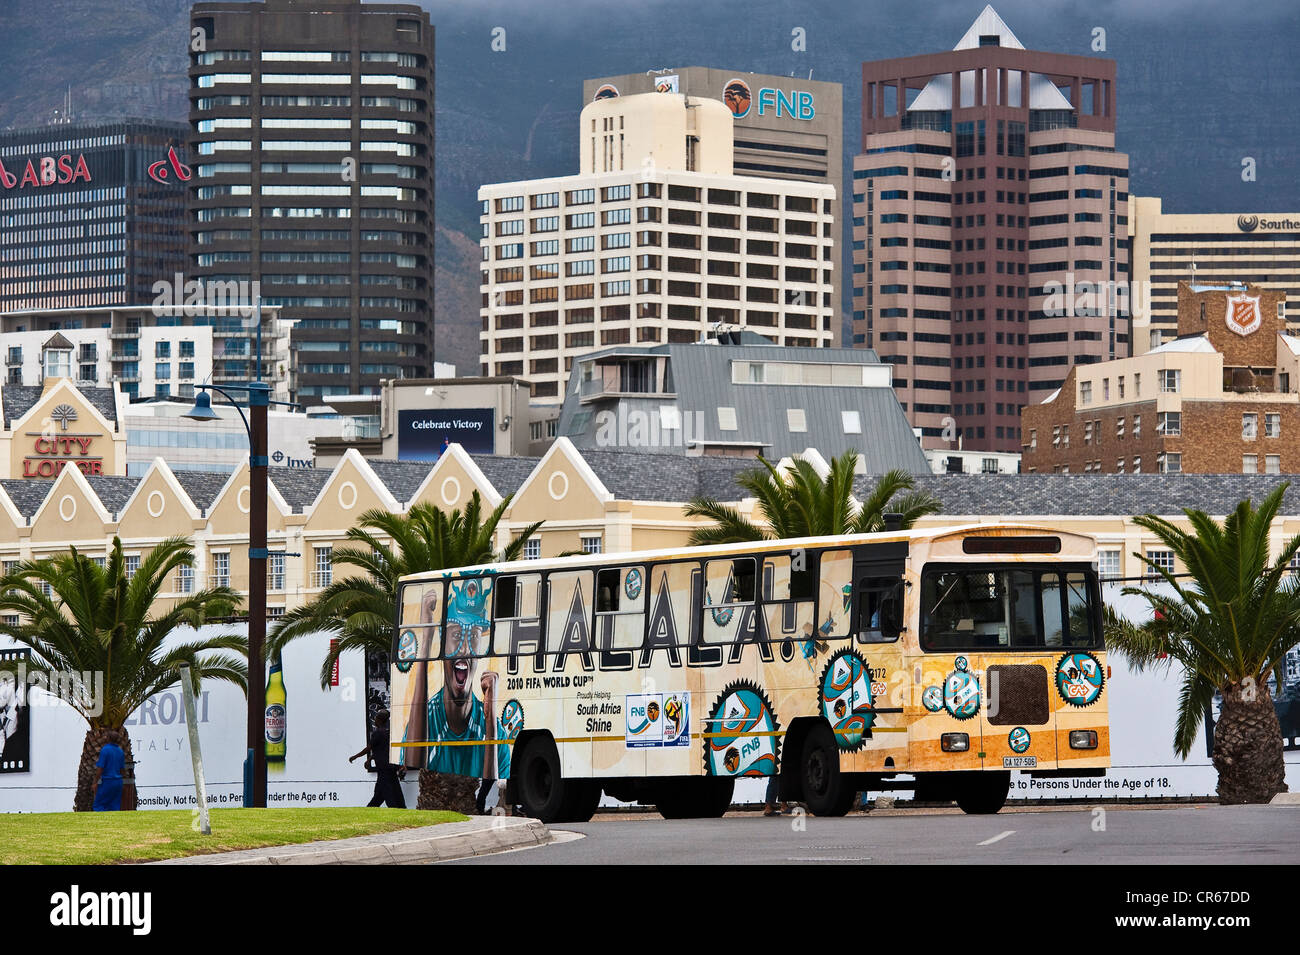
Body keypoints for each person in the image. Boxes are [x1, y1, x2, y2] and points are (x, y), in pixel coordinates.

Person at [351, 709, 406, 808]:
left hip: (384, 769)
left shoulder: (378, 733)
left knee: (390, 796)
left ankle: (396, 809)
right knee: (381, 795)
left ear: (379, 720)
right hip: (390, 767)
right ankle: (372, 809)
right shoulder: (388, 733)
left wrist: (355, 757)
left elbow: (369, 748)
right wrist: (370, 759)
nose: (375, 720)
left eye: (376, 718)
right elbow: (381, 749)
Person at [92, 730, 126, 812]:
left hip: (108, 781)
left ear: (108, 739)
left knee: (99, 805)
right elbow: (122, 770)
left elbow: (100, 768)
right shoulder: (120, 751)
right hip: (118, 782)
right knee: (114, 807)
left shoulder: (105, 750)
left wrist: (95, 782)